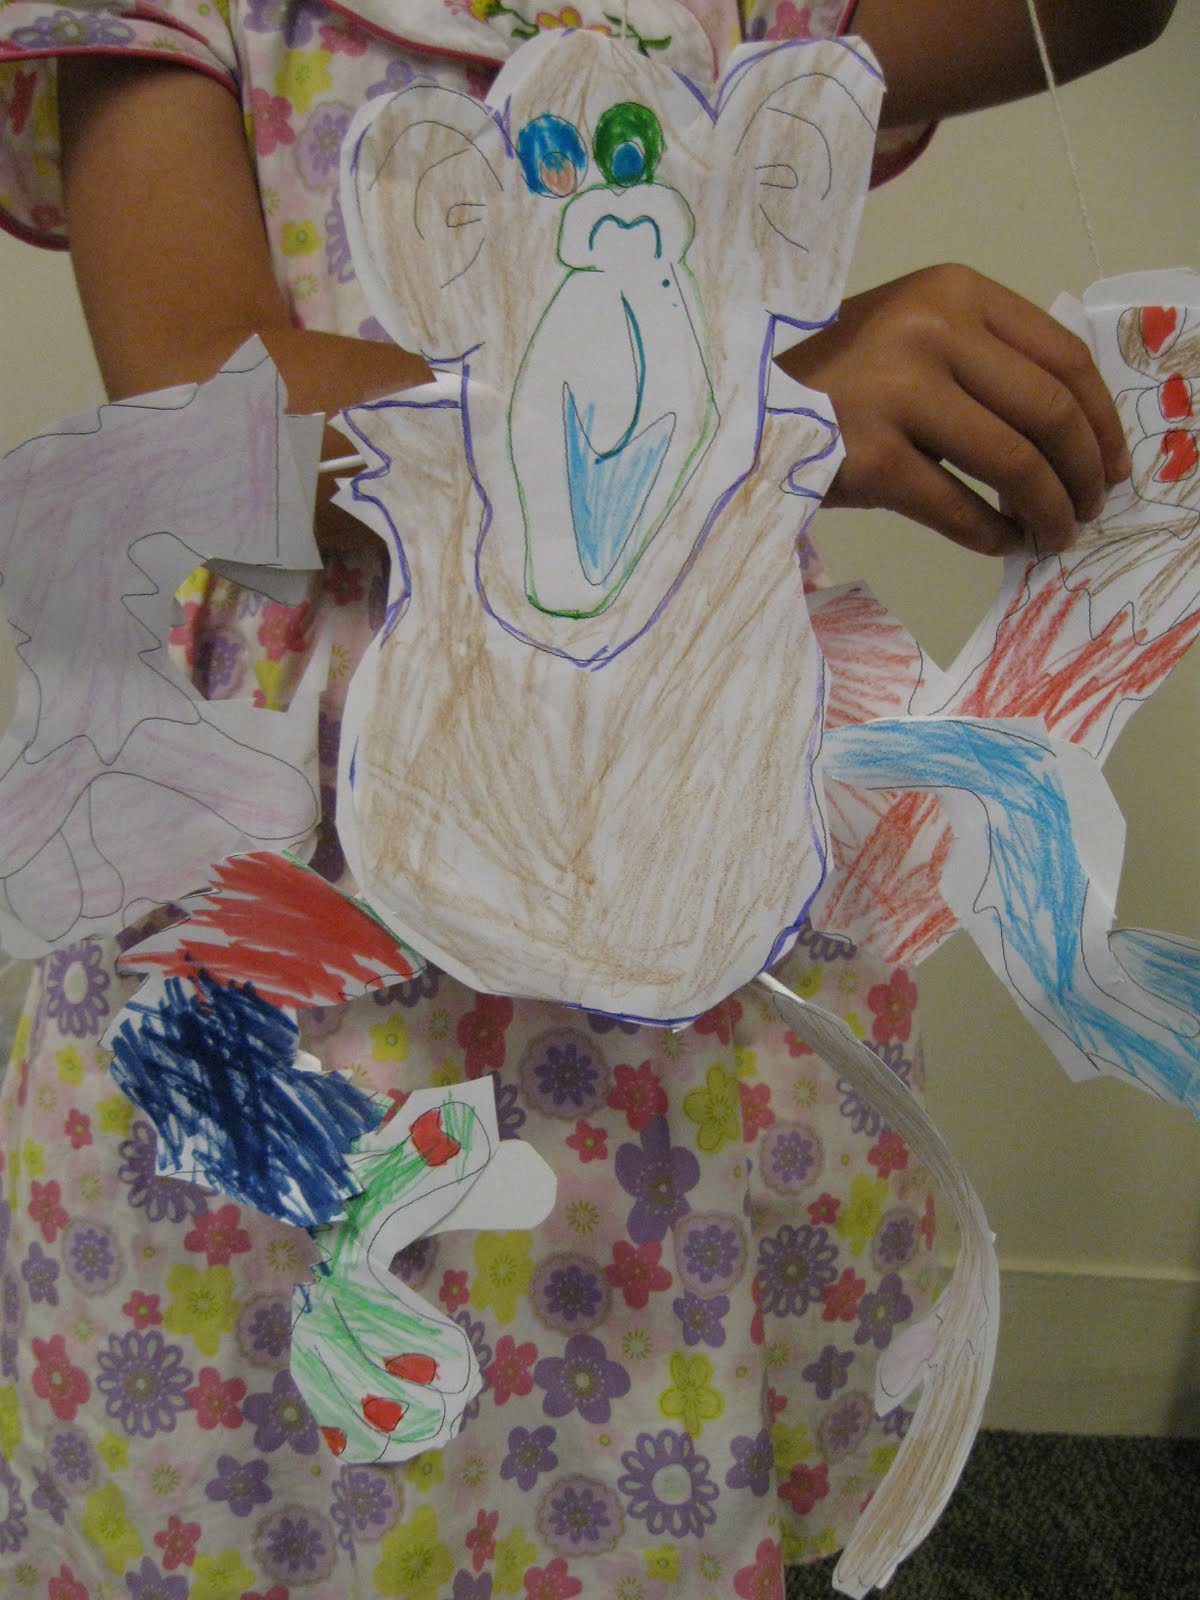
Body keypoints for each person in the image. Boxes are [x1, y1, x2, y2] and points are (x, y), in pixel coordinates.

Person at [0, 2, 1174, 1596]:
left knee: (635, 1415)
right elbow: (202, 397)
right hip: (315, 861)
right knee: (271, 1428)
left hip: (678, 828)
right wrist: (755, 407)